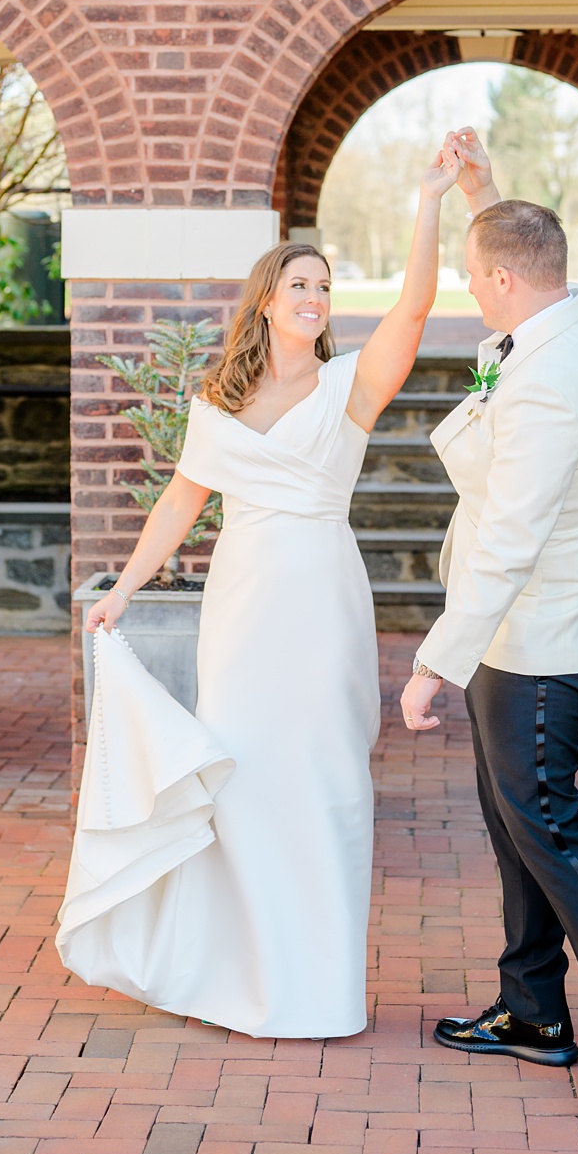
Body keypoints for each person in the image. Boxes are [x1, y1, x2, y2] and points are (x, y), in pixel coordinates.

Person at [58, 129, 473, 1039]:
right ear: (268, 301)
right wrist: (125, 589)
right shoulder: (219, 403)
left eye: (326, 286)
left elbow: (413, 307)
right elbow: (179, 501)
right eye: (302, 285)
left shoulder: (350, 390)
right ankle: (238, 972)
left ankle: (318, 984)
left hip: (321, 595)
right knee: (243, 776)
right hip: (242, 603)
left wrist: (432, 198)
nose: (317, 298)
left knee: (325, 780)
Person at [397, 173, 578, 1124]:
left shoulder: (551, 386)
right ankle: (532, 1012)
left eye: (478, 282)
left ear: (509, 281)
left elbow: (509, 541)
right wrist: (484, 190)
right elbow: (527, 245)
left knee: (548, 825)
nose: (474, 296)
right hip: (518, 629)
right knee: (512, 818)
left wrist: (434, 660)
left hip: (541, 635)